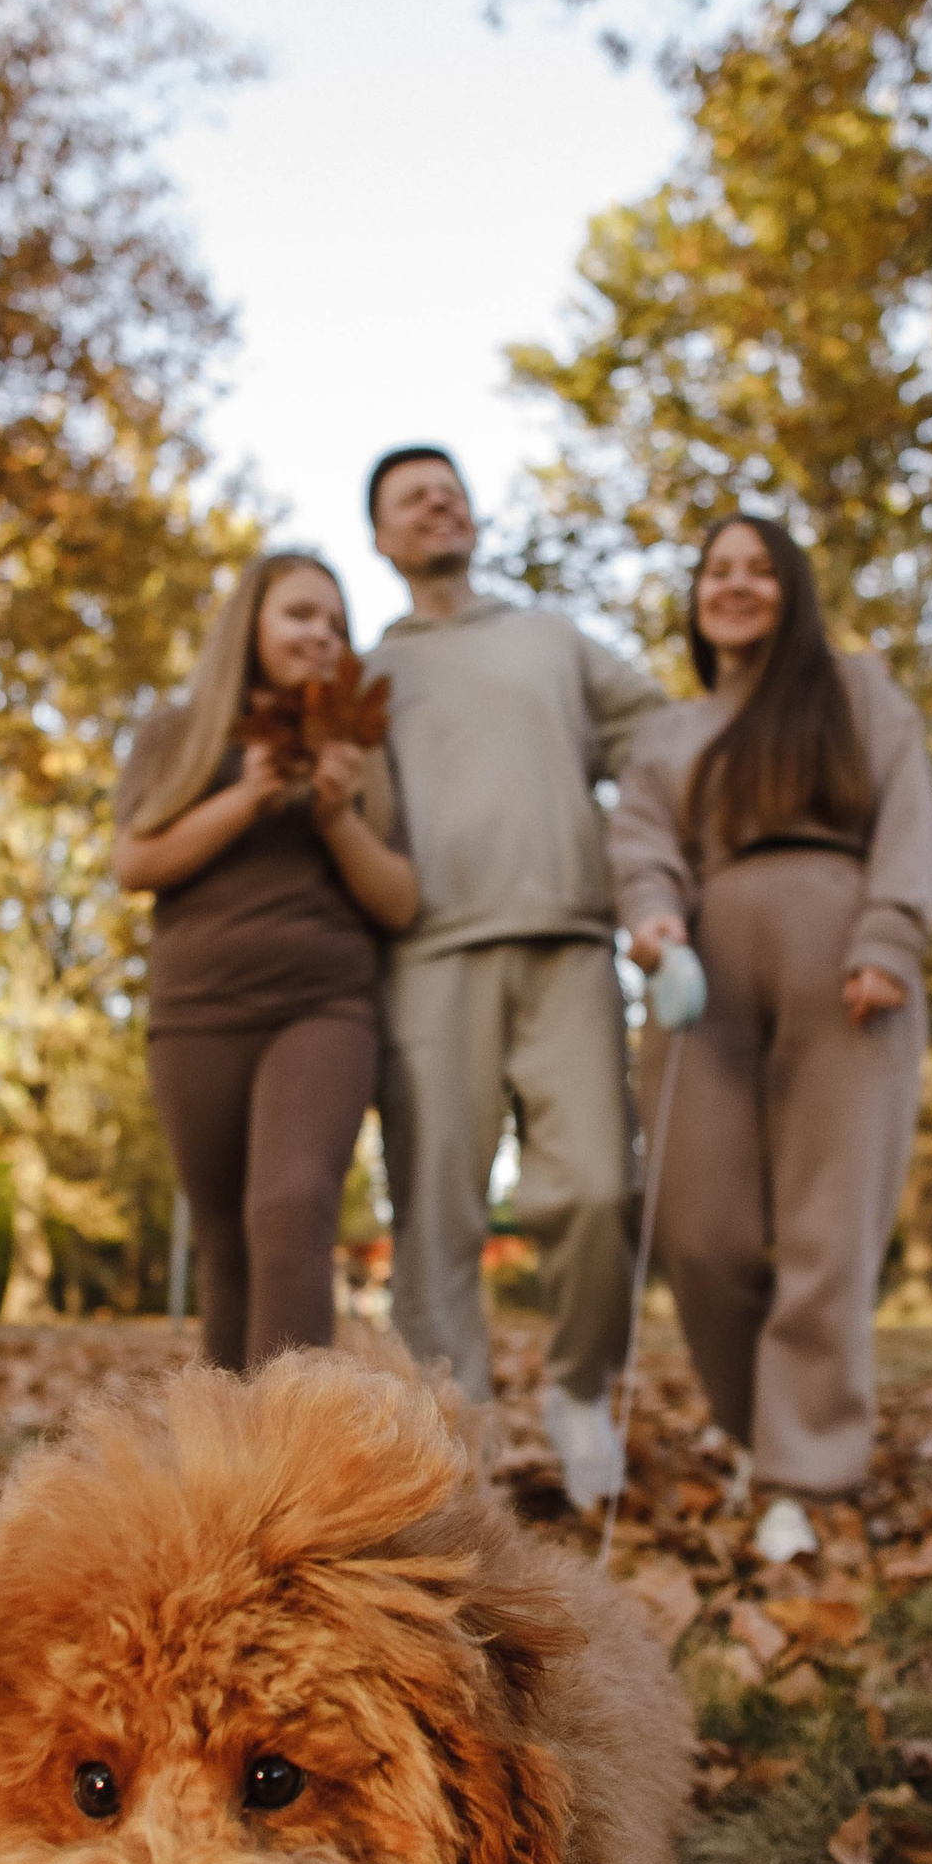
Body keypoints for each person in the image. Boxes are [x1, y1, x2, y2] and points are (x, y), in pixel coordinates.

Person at [611, 513, 932, 1565]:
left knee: (824, 1229)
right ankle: (758, 1431)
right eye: (718, 569)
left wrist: (890, 933)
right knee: (700, 1229)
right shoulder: (668, 731)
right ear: (695, 596)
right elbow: (642, 843)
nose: (737, 584)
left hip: (848, 956)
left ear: (791, 588)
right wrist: (654, 917)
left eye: (760, 568)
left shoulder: (856, 691)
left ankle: (801, 1473)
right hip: (701, 970)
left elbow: (910, 812)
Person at [364, 445, 662, 1503]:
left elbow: (660, 739)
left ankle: (581, 1388)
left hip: (570, 942)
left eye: (448, 488)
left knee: (596, 1189)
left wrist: (654, 877)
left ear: (472, 517)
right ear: (383, 540)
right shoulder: (368, 674)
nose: (436, 502)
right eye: (411, 497)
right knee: (435, 1215)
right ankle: (458, 1454)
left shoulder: (551, 639)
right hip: (427, 963)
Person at [112, 551, 416, 1372]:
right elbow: (135, 865)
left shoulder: (362, 749)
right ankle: (230, 1469)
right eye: (299, 615)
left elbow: (398, 902)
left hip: (321, 1007)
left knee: (290, 1210)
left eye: (337, 625)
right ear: (251, 623)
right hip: (197, 1012)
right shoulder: (179, 735)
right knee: (223, 1245)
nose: (321, 636)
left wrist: (337, 812)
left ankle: (296, 1461)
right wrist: (247, 795)